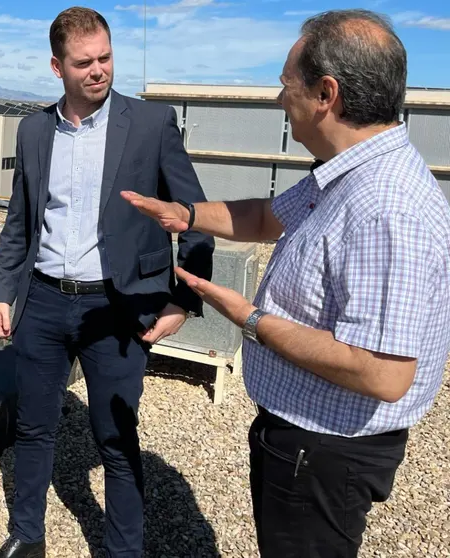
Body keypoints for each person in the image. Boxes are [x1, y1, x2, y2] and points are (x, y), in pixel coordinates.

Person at [122, 9, 450, 557]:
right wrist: (184, 213)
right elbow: (265, 218)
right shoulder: (345, 172)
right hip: (303, 441)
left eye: (285, 86)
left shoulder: (386, 205)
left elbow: (384, 372)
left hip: (324, 453)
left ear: (327, 93)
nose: (279, 101)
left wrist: (249, 319)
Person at [0, 6, 215, 558]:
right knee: (35, 429)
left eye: (106, 58)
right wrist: (3, 288)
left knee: (115, 441)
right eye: (84, 62)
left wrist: (184, 298)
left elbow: (196, 216)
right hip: (41, 302)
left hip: (116, 309)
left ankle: (122, 552)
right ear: (56, 67)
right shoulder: (35, 130)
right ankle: (26, 537)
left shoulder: (151, 125)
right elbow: (21, 220)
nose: (98, 70)